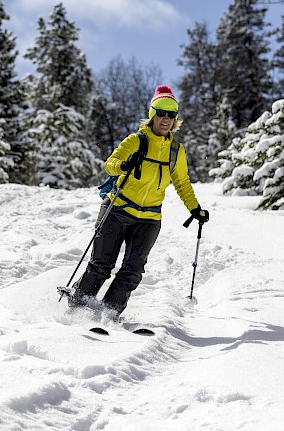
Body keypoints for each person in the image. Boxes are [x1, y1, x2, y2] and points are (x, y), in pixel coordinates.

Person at [68, 85, 209, 317]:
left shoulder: (176, 151)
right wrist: (124, 165)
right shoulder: (137, 140)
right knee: (101, 265)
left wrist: (195, 209)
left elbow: (182, 183)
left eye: (171, 114)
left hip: (149, 218)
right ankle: (77, 309)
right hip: (117, 210)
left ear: (176, 119)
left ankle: (108, 314)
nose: (165, 118)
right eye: (161, 112)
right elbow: (110, 163)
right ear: (152, 114)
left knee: (132, 271)